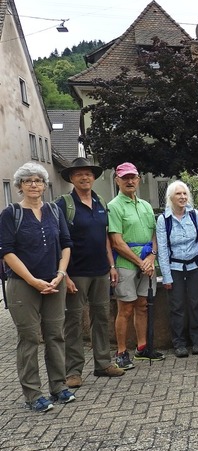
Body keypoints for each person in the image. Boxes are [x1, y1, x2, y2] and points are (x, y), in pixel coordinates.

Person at [0, 162, 75, 412]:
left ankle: (59, 386)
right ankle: (33, 394)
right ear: (20, 186)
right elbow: (6, 251)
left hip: (54, 282)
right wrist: (33, 280)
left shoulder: (55, 210)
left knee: (55, 335)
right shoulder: (11, 213)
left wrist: (61, 273)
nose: (34, 184)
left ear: (45, 185)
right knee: (29, 338)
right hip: (23, 285)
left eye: (39, 180)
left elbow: (66, 244)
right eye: (28, 180)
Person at [57, 158, 123, 389]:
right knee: (73, 322)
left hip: (100, 271)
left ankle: (103, 363)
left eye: (88, 174)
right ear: (71, 178)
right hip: (76, 272)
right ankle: (73, 371)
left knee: (101, 318)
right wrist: (64, 274)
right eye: (79, 175)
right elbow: (59, 241)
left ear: (93, 177)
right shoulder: (63, 204)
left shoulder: (100, 201)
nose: (84, 178)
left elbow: (105, 236)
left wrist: (111, 265)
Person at [108, 162, 165, 370]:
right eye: (125, 178)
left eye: (133, 177)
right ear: (117, 180)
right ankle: (122, 352)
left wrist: (152, 256)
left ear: (139, 179)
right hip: (126, 264)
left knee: (143, 306)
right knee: (126, 308)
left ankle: (142, 348)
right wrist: (141, 262)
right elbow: (117, 241)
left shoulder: (146, 205)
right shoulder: (114, 206)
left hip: (147, 262)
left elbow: (153, 234)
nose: (130, 181)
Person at [156, 180, 198, 358]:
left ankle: (197, 340)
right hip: (175, 268)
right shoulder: (164, 219)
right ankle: (179, 343)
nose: (182, 197)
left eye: (185, 194)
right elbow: (162, 249)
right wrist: (167, 276)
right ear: (170, 197)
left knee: (196, 303)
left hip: (195, 266)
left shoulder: (194, 215)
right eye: (178, 194)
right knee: (177, 306)